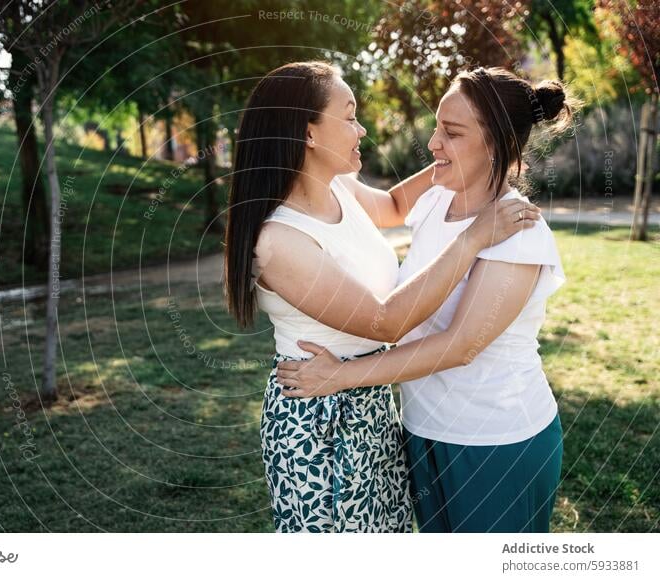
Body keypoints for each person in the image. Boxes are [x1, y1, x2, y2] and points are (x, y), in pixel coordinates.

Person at [223, 62, 540, 532]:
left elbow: (393, 206)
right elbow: (385, 322)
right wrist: (473, 238)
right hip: (321, 415)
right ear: (307, 133)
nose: (362, 127)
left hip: (372, 402)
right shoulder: (279, 242)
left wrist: (460, 158)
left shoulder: (340, 188)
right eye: (349, 116)